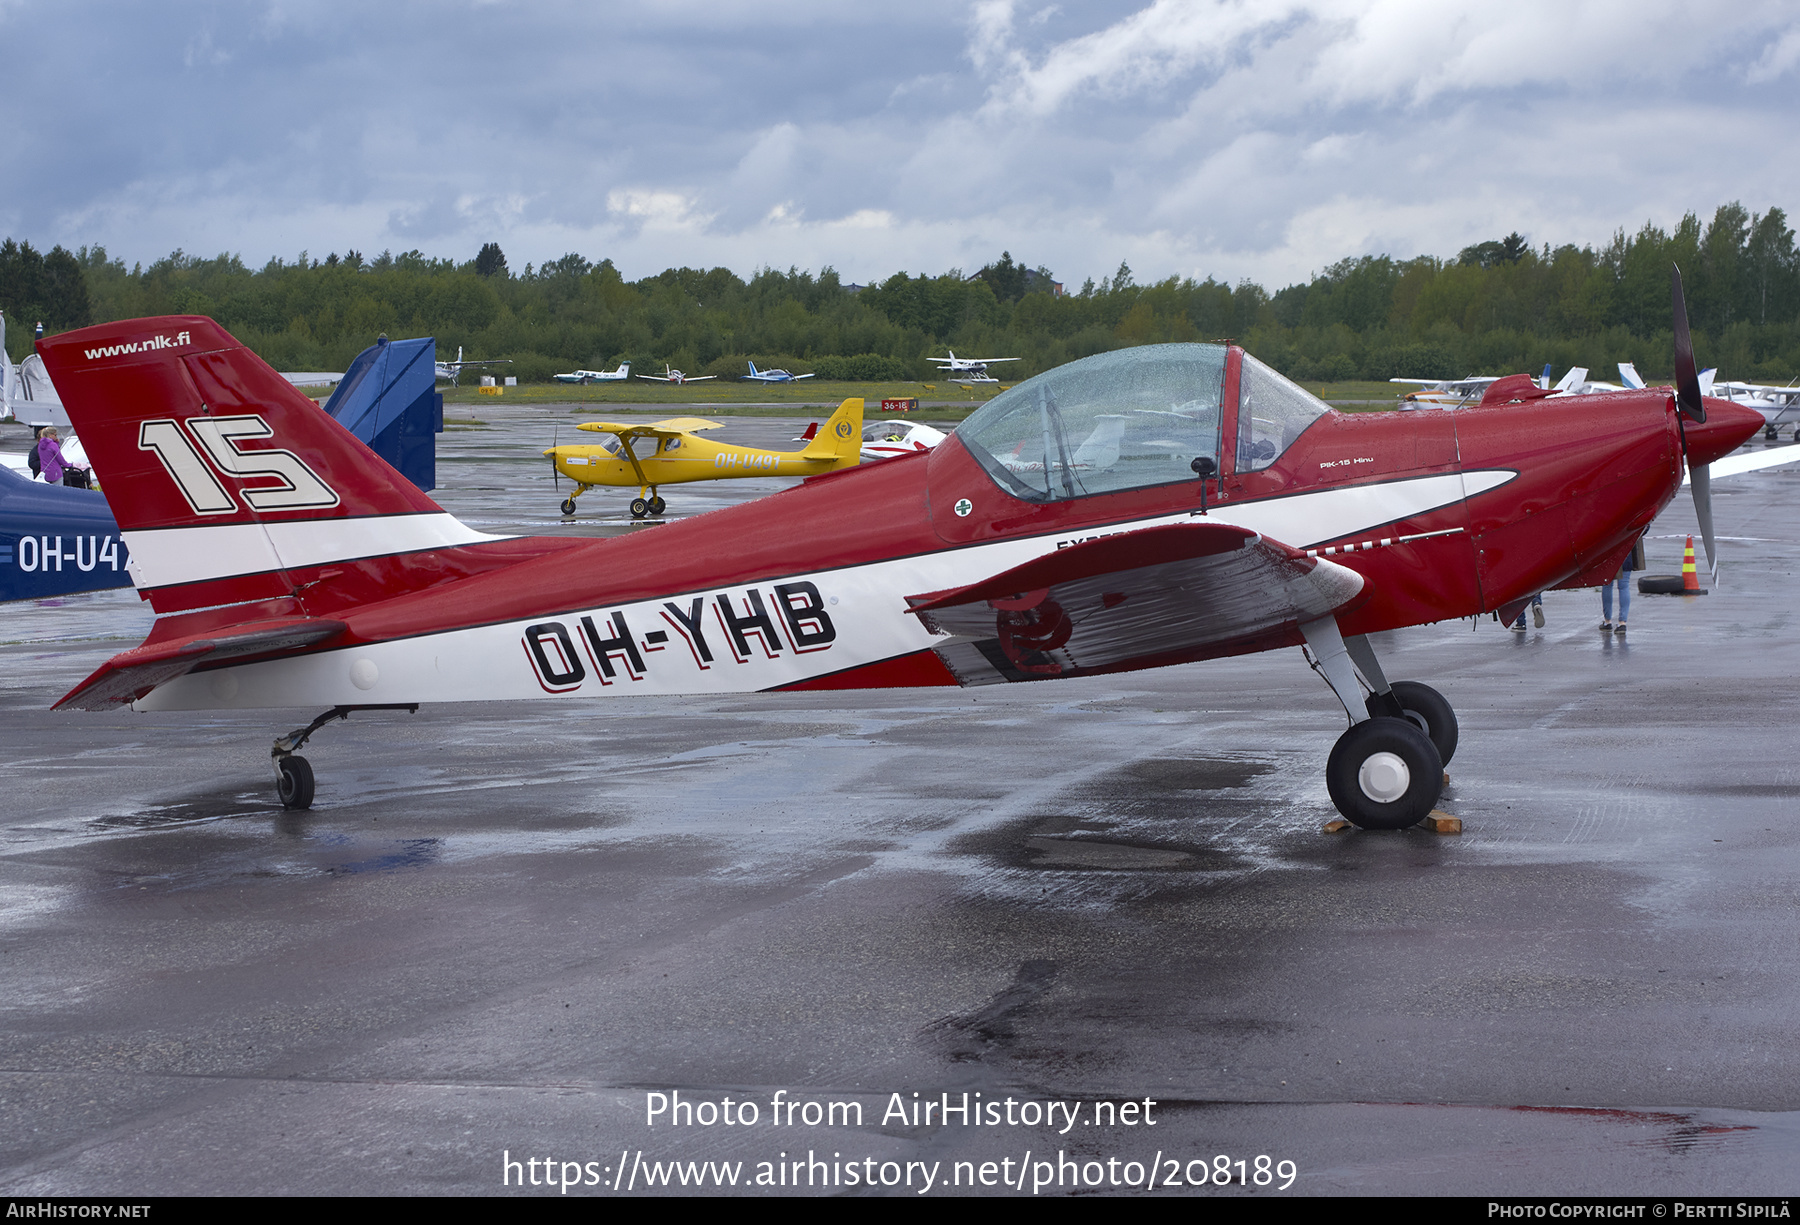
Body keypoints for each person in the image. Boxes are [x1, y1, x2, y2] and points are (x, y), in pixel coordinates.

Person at [1600, 534, 1646, 634]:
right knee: (1624, 586)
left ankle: (1607, 621)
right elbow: (1645, 527)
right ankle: (1622, 623)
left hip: (1609, 552)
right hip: (1626, 553)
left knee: (1607, 585)